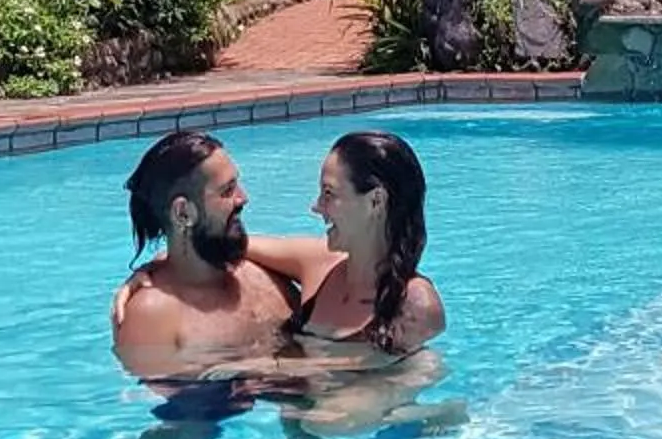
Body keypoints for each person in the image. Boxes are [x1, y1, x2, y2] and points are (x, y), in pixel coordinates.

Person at [110, 129, 300, 397]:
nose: (243, 198)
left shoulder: (266, 273)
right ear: (183, 212)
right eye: (228, 190)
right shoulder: (153, 316)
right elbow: (179, 427)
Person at [246, 131, 445, 357]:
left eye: (328, 194)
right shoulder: (317, 262)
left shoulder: (415, 304)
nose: (316, 206)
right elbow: (233, 244)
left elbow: (393, 384)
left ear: (376, 201)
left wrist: (253, 370)